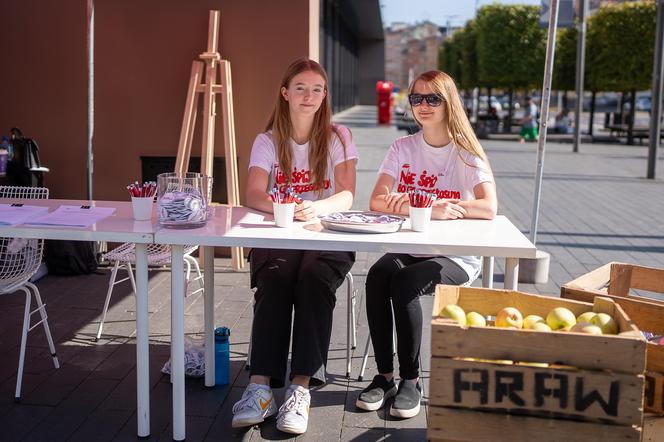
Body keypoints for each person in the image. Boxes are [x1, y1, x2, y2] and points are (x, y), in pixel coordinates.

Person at [355, 70, 497, 419]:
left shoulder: (465, 152)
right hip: (413, 246)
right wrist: (430, 206)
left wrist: (409, 202)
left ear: (449, 103)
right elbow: (376, 200)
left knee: (405, 282)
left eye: (432, 98)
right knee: (378, 274)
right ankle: (385, 376)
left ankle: (411, 380)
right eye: (416, 98)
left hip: (456, 256)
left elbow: (489, 207)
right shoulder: (402, 147)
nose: (423, 105)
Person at [231, 58, 358, 434]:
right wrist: (285, 207)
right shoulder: (267, 140)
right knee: (276, 276)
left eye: (317, 89)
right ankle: (260, 387)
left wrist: (316, 207)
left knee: (314, 279)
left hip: (326, 234)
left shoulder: (339, 136)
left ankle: (300, 389)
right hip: (281, 233)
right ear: (285, 93)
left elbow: (348, 195)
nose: (309, 96)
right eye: (301, 88)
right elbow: (253, 193)